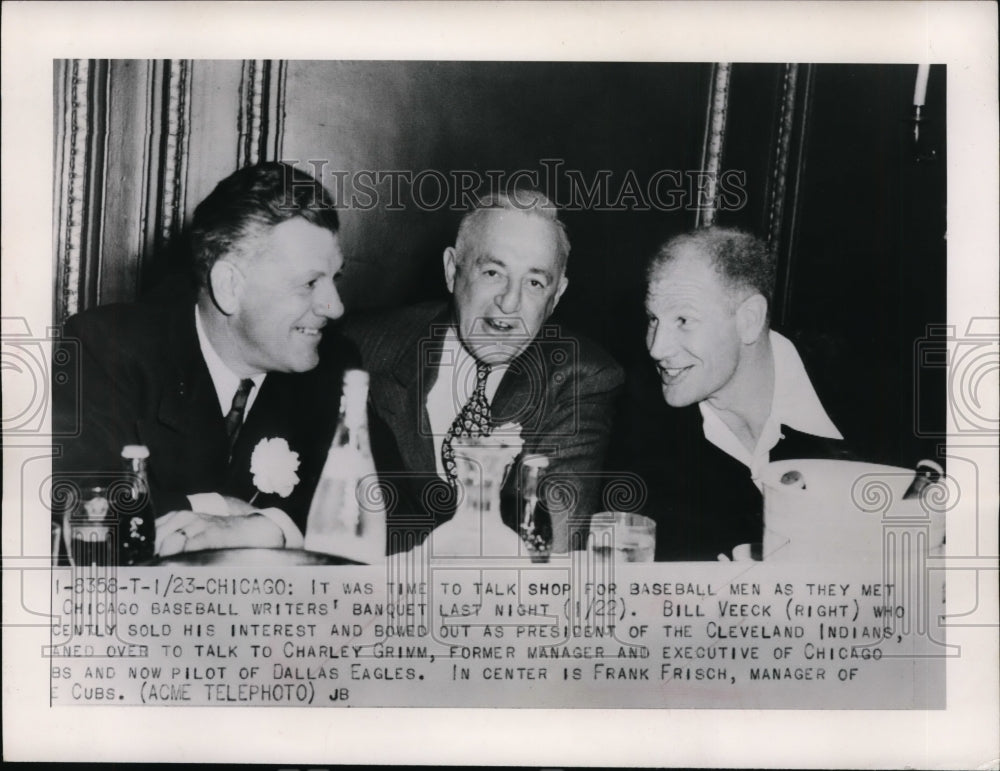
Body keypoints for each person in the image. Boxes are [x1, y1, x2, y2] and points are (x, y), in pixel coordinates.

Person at [53, 162, 358, 558]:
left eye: (336, 279)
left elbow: (401, 503)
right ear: (229, 286)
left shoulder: (331, 364)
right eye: (310, 283)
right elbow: (73, 502)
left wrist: (272, 528)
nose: (335, 307)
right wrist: (218, 509)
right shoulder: (106, 347)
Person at [341, 189, 623, 555]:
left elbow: (552, 547)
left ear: (557, 296)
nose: (509, 301)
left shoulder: (580, 378)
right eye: (492, 272)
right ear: (451, 270)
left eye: (535, 282)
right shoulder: (358, 349)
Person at [608, 226, 858, 561]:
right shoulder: (638, 427)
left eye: (683, 320)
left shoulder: (873, 405)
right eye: (653, 319)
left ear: (749, 320)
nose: (657, 348)